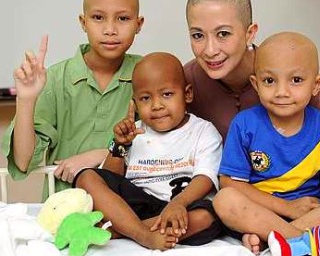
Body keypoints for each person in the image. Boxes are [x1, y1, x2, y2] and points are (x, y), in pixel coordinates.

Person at [184, 0, 320, 191]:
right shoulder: (189, 80)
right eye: (198, 35)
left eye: (223, 34)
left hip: (305, 192)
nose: (210, 50)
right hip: (242, 196)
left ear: (250, 33)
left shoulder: (294, 75)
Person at [213, 31, 320, 254]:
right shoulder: (244, 124)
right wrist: (287, 208)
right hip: (263, 210)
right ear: (255, 83)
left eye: (296, 80)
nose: (282, 92)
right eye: (269, 81)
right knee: (224, 200)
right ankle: (302, 239)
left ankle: (273, 237)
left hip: (312, 214)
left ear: (317, 85)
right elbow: (230, 183)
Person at [1, 0, 144, 199]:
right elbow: (23, 160)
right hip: (65, 209)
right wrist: (26, 100)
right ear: (83, 22)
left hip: (130, 210)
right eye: (98, 17)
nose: (110, 29)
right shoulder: (56, 79)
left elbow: (167, 147)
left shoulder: (148, 73)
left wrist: (101, 154)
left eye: (123, 18)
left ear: (139, 24)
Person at [73, 52, 223, 251]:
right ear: (135, 102)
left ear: (187, 94)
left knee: (206, 216)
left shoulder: (203, 131)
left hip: (183, 206)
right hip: (135, 208)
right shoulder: (134, 132)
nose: (157, 105)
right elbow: (110, 178)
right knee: (87, 177)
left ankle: (119, 231)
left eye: (167, 94)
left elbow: (205, 177)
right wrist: (119, 146)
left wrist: (178, 203)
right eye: (145, 98)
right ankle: (142, 234)